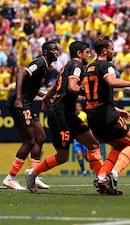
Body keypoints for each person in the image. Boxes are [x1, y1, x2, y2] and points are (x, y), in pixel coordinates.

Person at [25, 41, 103, 193]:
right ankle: (32, 173)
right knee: (62, 157)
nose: (89, 55)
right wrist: (90, 93)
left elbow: (56, 86)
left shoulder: (68, 66)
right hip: (61, 116)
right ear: (79, 53)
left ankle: (102, 180)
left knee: (93, 145)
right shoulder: (77, 66)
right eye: (87, 52)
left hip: (68, 114)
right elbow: (72, 87)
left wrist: (47, 98)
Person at [82, 35, 130, 195]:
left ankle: (102, 177)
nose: (114, 51)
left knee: (119, 145)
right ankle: (115, 172)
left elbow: (94, 96)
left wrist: (117, 109)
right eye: (112, 49)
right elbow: (111, 82)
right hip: (106, 116)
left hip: (93, 116)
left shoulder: (89, 68)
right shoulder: (107, 66)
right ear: (104, 50)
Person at [3, 41, 59, 190]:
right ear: (45, 52)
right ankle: (10, 178)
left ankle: (34, 174)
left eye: (57, 50)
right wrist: (19, 98)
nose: (57, 52)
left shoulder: (45, 67)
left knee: (40, 137)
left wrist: (44, 95)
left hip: (26, 102)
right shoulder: (40, 62)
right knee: (29, 140)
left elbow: (30, 86)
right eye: (53, 50)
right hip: (20, 102)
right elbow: (21, 73)